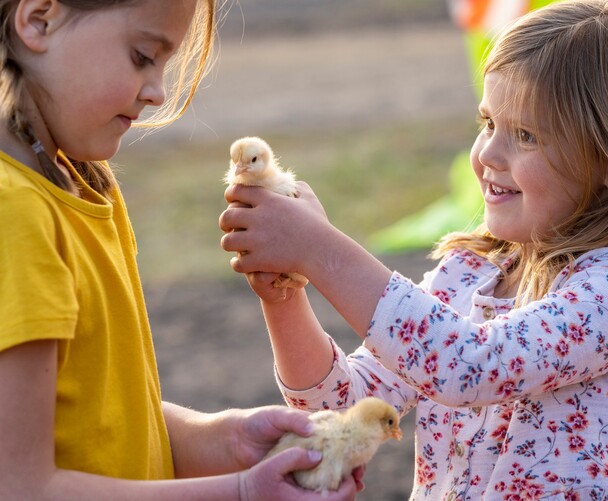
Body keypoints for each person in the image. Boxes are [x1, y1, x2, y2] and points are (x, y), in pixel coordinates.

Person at [219, 0, 608, 498]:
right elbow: (341, 405)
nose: (488, 154)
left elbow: (471, 366)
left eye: (526, 135)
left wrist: (321, 250)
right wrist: (285, 293)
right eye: (488, 124)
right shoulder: (468, 276)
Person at [0, 1, 361, 499]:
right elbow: (22, 486)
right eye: (143, 55)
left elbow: (101, 422)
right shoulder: (14, 212)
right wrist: (240, 492)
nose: (158, 92)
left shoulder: (84, 182)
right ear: (39, 19)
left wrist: (226, 438)